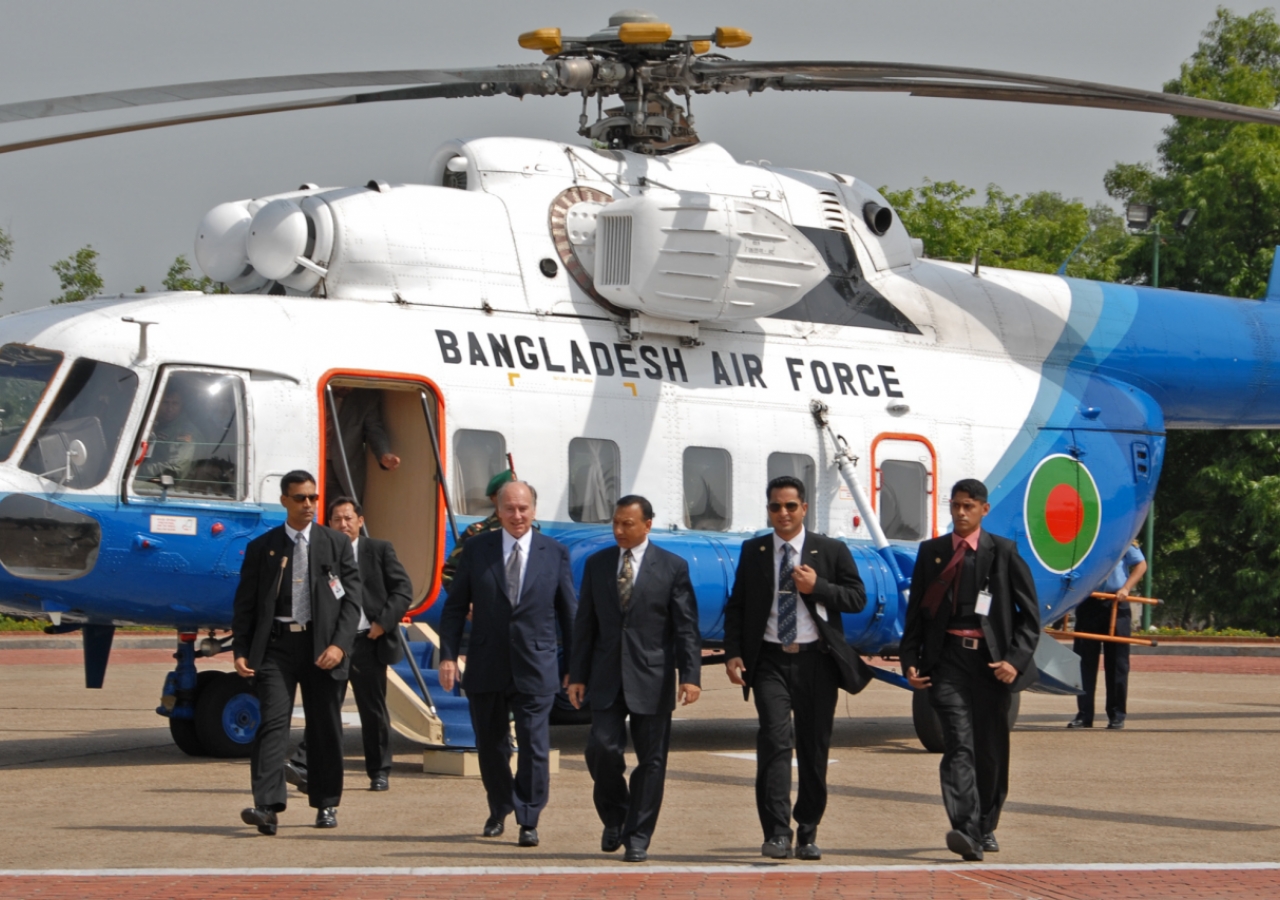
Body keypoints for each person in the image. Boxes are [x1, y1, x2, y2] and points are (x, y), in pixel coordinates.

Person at [723, 475, 872, 861]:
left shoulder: (831, 550)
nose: (783, 513)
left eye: (791, 506)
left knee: (813, 749)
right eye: (776, 506)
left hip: (817, 662)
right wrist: (734, 652)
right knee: (774, 742)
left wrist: (818, 586)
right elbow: (737, 605)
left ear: (804, 508)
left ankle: (807, 831)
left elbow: (856, 598)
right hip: (770, 659)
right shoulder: (753, 550)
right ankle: (776, 832)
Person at [900, 478, 1040, 861]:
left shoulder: (1004, 553)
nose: (961, 513)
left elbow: (1030, 618)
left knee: (990, 749)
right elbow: (917, 616)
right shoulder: (932, 553)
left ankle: (986, 823)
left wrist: (1014, 661)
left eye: (969, 506)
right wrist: (910, 660)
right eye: (956, 505)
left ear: (984, 510)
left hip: (991, 664)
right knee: (958, 745)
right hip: (947, 662)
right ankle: (965, 828)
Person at [438, 481, 577, 847]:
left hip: (536, 663)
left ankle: (529, 815)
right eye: (510, 509)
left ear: (534, 510)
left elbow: (569, 612)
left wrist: (575, 667)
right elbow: (454, 608)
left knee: (534, 743)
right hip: (487, 663)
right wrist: (448, 655)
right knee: (491, 745)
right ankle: (500, 806)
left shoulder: (555, 552)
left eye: (524, 508)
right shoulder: (477, 549)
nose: (517, 516)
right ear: (497, 511)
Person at [567, 495, 702, 863]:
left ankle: (638, 836)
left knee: (652, 761)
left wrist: (690, 676)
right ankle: (616, 816)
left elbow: (686, 627)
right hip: (607, 674)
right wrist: (577, 673)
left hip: (653, 676)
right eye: (615, 523)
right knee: (600, 749)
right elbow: (586, 624)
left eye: (627, 524)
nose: (619, 530)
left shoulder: (672, 567)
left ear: (647, 525)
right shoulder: (597, 564)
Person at [232, 470, 362, 834]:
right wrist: (241, 648)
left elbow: (352, 602)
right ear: (284, 501)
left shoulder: (336, 545)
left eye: (313, 498)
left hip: (323, 648)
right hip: (277, 647)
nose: (308, 505)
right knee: (273, 724)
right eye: (300, 498)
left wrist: (339, 645)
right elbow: (245, 604)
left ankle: (326, 802)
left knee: (325, 727)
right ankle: (267, 806)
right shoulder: (264, 548)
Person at [286, 496, 415, 794]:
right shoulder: (321, 552)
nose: (342, 525)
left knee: (372, 710)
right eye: (336, 520)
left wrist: (383, 622)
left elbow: (402, 589)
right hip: (333, 645)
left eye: (348, 518)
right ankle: (304, 763)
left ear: (360, 520)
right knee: (325, 706)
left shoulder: (378, 549)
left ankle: (379, 770)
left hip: (368, 642)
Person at [1068, 541, 1146, 730]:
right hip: (1089, 603)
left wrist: (1126, 588)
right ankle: (1084, 714)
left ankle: (1117, 714)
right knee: (1085, 662)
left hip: (1116, 603)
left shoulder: (1122, 534)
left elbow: (1141, 564)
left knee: (1117, 663)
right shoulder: (1084, 538)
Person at [325, 386, 400, 501]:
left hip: (343, 469)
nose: (347, 387)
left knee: (340, 511)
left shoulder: (366, 397)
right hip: (313, 461)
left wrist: (383, 454)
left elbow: (374, 429)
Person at [441, 469, 513, 587]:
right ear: (493, 498)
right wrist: (466, 601)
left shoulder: (531, 533)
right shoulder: (476, 532)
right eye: (504, 494)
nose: (510, 499)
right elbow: (450, 572)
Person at [136, 381, 207, 485]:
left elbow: (175, 469)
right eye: (165, 402)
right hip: (153, 479)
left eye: (175, 403)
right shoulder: (158, 424)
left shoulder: (185, 432)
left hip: (172, 487)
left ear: (181, 405)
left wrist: (136, 470)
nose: (169, 409)